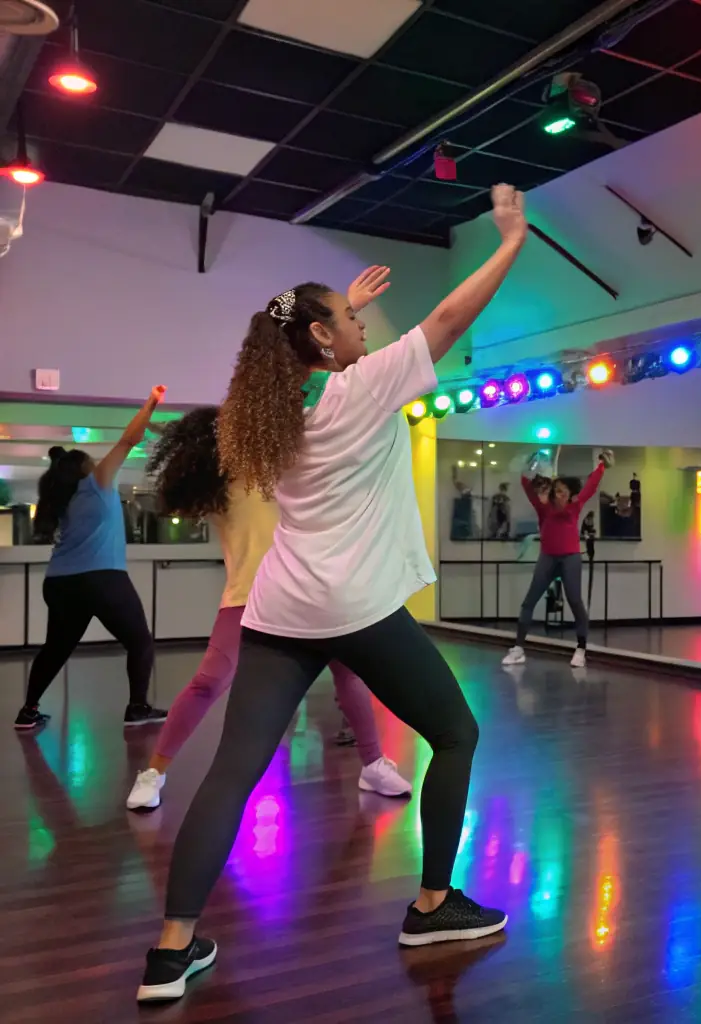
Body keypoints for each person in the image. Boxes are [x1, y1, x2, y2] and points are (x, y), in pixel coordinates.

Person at [136, 184, 527, 1004]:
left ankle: (171, 954)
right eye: (349, 323)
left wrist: (328, 312)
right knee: (454, 734)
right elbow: (451, 320)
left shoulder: (262, 409)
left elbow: (306, 359)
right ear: (322, 340)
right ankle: (430, 905)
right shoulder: (360, 390)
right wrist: (509, 242)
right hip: (355, 607)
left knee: (232, 773)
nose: (361, 329)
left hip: (280, 609)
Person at [124, 403, 412, 812]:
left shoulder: (282, 465)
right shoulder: (214, 483)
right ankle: (153, 772)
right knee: (208, 683)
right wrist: (165, 428)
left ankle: (373, 763)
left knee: (350, 676)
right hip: (249, 597)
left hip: (311, 590)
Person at [15, 388, 169, 730]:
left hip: (59, 583)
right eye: (90, 460)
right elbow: (130, 440)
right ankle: (137, 707)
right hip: (102, 578)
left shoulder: (63, 499)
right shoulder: (96, 484)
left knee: (55, 648)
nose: (96, 463)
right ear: (84, 469)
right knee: (140, 642)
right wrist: (151, 404)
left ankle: (28, 711)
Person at [501, 450, 611, 669]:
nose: (558, 494)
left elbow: (590, 486)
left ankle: (581, 649)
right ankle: (518, 649)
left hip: (570, 559)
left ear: (569, 495)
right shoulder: (544, 508)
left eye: (562, 491)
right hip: (548, 558)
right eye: (556, 490)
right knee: (529, 602)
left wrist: (601, 466)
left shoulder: (575, 506)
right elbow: (526, 484)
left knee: (575, 602)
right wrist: (527, 466)